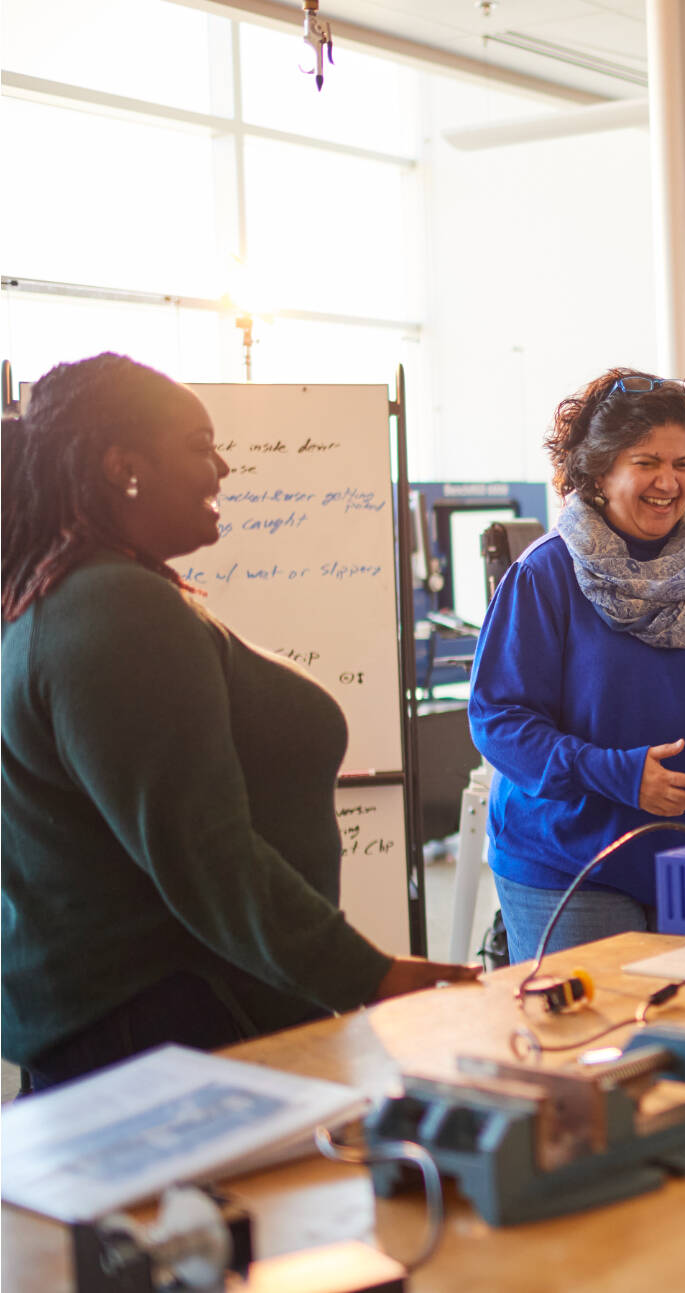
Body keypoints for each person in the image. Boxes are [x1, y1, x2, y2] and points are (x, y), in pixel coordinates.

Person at [1, 354, 476, 1091]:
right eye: (198, 445)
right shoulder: (112, 610)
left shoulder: (80, 597)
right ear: (124, 465)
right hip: (164, 1035)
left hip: (154, 1023)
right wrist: (368, 974)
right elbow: (205, 852)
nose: (221, 466)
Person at [470, 371, 685, 960]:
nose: (669, 482)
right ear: (599, 471)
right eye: (646, 462)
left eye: (683, 464)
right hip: (574, 864)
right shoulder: (545, 574)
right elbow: (498, 721)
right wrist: (615, 774)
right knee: (594, 1043)